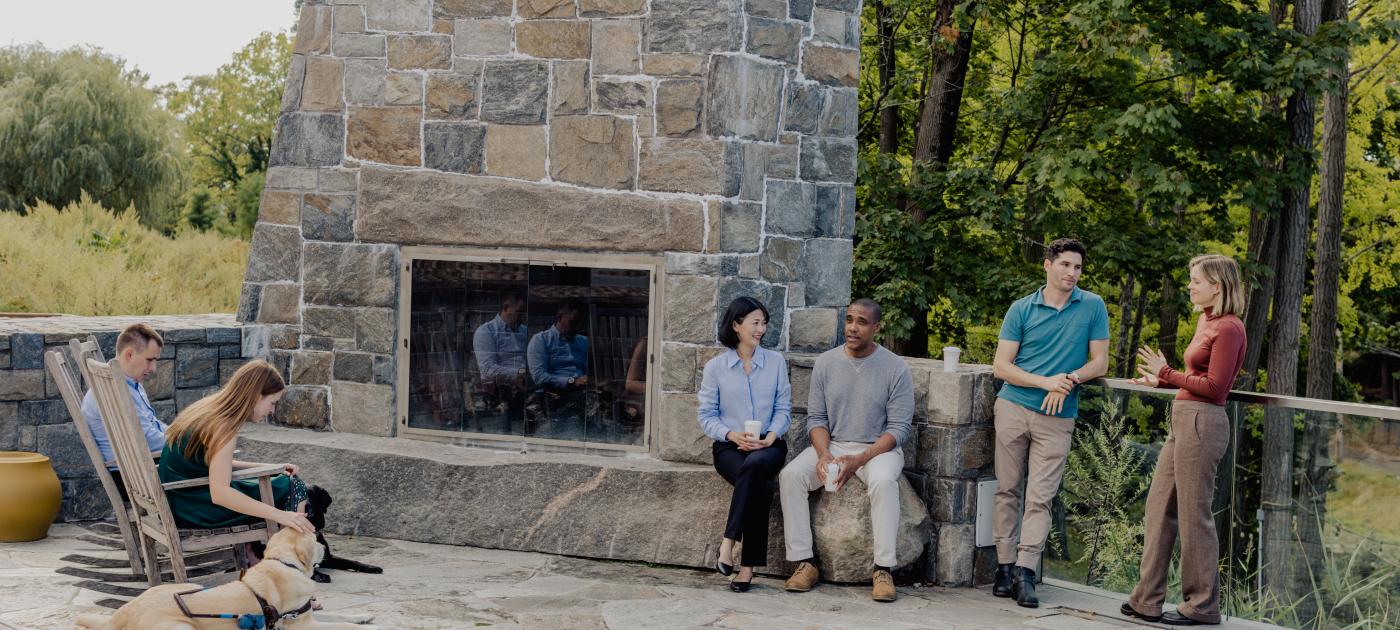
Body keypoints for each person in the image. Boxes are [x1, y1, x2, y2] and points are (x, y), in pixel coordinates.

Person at [1121, 254, 1246, 627]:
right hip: (1183, 419)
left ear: (1217, 286)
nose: (1190, 285)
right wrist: (1161, 380)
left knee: (1195, 516)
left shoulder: (1229, 327)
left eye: (1196, 280)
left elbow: (1215, 387)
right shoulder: (1205, 320)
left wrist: (1167, 372)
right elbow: (1194, 375)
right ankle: (1147, 599)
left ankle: (1202, 606)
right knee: (1159, 508)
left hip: (1203, 424)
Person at [990, 237, 1109, 608]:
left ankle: (1026, 572)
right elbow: (1001, 366)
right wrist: (1045, 381)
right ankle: (1004, 567)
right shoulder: (1021, 309)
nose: (1072, 273)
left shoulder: (1092, 306)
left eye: (1078, 268)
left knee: (1040, 497)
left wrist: (1069, 379)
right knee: (1008, 489)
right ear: (1047, 265)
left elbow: (1100, 364)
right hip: (1013, 407)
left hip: (1058, 417)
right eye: (1065, 265)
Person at [779, 298, 914, 603]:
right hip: (834, 443)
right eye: (849, 320)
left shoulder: (895, 367)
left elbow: (898, 430)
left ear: (877, 327)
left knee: (882, 482)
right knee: (790, 476)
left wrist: (859, 460)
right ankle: (805, 563)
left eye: (862, 322)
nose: (853, 327)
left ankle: (882, 569)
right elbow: (816, 419)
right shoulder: (826, 363)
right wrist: (824, 453)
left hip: (878, 449)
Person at [697, 297, 792, 593]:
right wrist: (731, 435)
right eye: (755, 322)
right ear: (736, 325)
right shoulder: (716, 368)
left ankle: (728, 545)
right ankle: (747, 567)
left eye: (764, 323)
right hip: (729, 447)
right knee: (759, 483)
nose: (761, 328)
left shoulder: (775, 363)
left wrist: (771, 436)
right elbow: (706, 416)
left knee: (756, 467)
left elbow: (784, 409)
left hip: (769, 445)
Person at [158, 360, 314, 534]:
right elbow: (220, 493)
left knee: (285, 483)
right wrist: (280, 515)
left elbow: (216, 465)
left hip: (180, 499)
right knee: (294, 487)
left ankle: (262, 552)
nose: (272, 410)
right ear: (256, 396)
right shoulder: (224, 425)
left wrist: (272, 468)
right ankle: (287, 554)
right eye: (272, 402)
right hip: (194, 507)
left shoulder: (209, 408)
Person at [82, 323, 166, 498]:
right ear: (129, 354)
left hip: (140, 468)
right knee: (208, 465)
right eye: (150, 360)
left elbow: (152, 426)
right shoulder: (117, 391)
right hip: (134, 478)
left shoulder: (128, 383)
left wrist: (182, 433)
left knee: (209, 457)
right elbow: (147, 442)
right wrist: (189, 443)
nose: (153, 368)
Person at [527, 298, 590, 431]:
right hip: (552, 396)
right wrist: (572, 381)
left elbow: (588, 370)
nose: (577, 327)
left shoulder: (583, 341)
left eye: (580, 322)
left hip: (581, 394)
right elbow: (539, 377)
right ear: (560, 317)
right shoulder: (540, 340)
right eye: (573, 322)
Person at [473, 292, 529, 430]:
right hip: (502, 389)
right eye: (519, 311)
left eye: (524, 312)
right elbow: (487, 370)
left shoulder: (524, 331)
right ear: (506, 307)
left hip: (528, 382)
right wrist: (519, 372)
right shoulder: (486, 332)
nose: (521, 315)